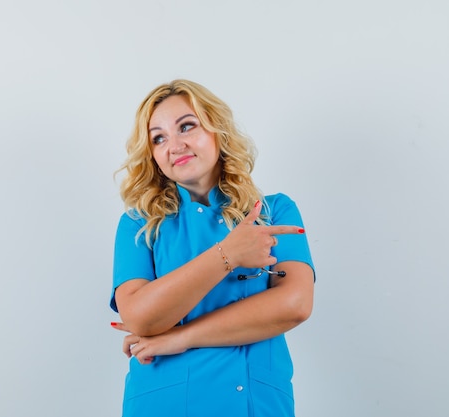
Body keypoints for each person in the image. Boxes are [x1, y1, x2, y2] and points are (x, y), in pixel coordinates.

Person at [109, 79, 315, 417]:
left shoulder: (275, 211)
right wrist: (229, 254)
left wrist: (180, 337)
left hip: (257, 403)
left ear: (217, 130)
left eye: (187, 126)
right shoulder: (140, 223)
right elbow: (139, 316)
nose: (174, 145)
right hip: (165, 403)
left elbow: (295, 304)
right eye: (158, 138)